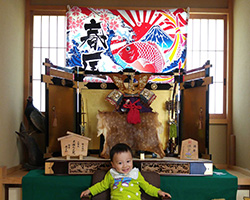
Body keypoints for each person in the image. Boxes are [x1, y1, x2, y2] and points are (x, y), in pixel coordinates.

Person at [80, 143, 171, 199]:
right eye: (120, 163)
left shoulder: (135, 174)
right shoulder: (112, 174)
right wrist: (89, 191)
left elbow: (147, 187)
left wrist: (159, 192)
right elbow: (101, 186)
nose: (125, 166)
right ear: (113, 164)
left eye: (128, 161)